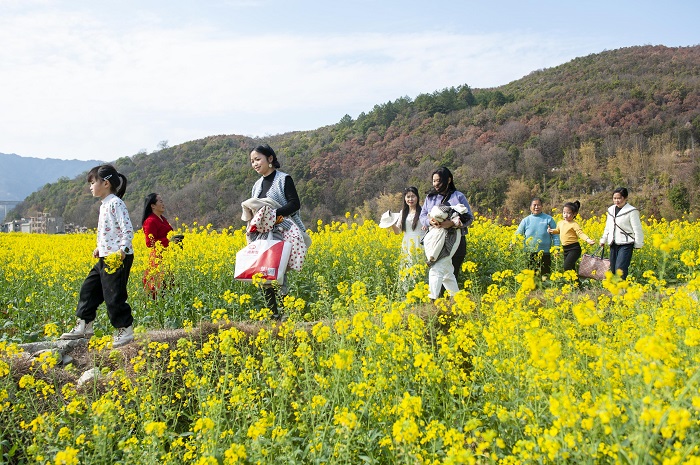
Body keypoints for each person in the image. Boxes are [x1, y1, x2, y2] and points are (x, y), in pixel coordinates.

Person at [60, 164, 135, 348]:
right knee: (89, 289)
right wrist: (99, 248)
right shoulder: (105, 205)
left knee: (113, 296)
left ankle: (125, 329)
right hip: (105, 256)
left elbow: (128, 230)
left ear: (106, 183)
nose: (90, 186)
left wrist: (122, 252)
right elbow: (108, 232)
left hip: (117, 257)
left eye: (93, 182)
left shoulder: (116, 203)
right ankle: (84, 325)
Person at [249, 144, 307, 320]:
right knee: (264, 272)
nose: (255, 164)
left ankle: (285, 314)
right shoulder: (257, 185)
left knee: (278, 273)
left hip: (283, 230)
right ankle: (273, 314)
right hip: (263, 234)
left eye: (258, 159)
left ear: (270, 159)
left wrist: (273, 215)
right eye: (252, 161)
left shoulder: (284, 179)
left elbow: (294, 203)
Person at [419, 167, 474, 294]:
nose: (436, 184)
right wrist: (429, 222)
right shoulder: (430, 197)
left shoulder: (458, 196)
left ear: (448, 180)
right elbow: (423, 216)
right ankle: (442, 303)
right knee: (438, 270)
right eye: (433, 181)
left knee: (451, 272)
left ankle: (447, 303)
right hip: (436, 240)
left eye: (439, 181)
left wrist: (452, 224)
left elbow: (470, 218)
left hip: (457, 241)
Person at [599, 187, 644, 279]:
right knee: (613, 269)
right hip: (613, 242)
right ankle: (616, 288)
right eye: (614, 198)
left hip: (626, 243)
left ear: (625, 198)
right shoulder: (611, 210)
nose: (616, 201)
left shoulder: (631, 211)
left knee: (621, 268)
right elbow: (608, 226)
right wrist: (603, 239)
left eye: (619, 198)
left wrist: (638, 243)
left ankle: (621, 289)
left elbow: (637, 228)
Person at [547, 200, 596, 276]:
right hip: (565, 249)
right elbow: (558, 231)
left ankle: (576, 283)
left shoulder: (574, 224)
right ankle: (575, 285)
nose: (565, 215)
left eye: (569, 213)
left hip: (574, 249)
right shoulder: (560, 223)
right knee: (571, 269)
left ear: (574, 214)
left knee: (567, 266)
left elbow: (580, 233)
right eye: (564, 212)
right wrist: (551, 231)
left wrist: (588, 240)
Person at [514, 197, 560, 275]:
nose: (536, 207)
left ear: (542, 206)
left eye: (538, 205)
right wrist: (513, 243)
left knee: (544, 277)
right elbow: (518, 234)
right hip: (529, 253)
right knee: (531, 278)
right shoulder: (525, 220)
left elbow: (555, 236)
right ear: (530, 207)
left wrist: (556, 249)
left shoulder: (549, 219)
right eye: (534, 205)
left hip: (545, 253)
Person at [141, 193, 174, 298]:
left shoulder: (163, 219)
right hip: (158, 259)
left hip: (168, 256)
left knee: (170, 287)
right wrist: (169, 240)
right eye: (160, 201)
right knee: (158, 289)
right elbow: (149, 243)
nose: (163, 203)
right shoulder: (150, 221)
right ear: (153, 205)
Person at [390, 186, 425, 269]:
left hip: (420, 242)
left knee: (420, 267)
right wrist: (391, 223)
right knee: (407, 268)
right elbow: (398, 232)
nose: (410, 199)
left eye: (413, 196)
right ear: (405, 198)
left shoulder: (423, 211)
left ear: (417, 197)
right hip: (407, 243)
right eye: (408, 197)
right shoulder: (403, 212)